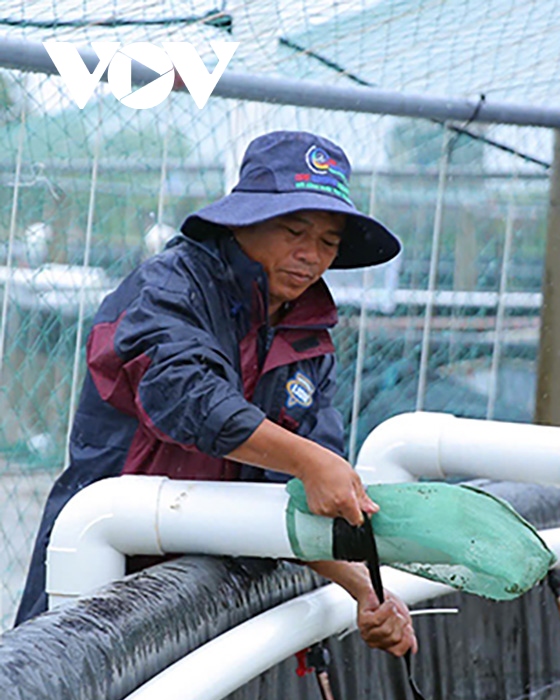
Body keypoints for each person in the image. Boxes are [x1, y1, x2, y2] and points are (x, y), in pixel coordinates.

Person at [15, 130, 416, 658]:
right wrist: (311, 462)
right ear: (243, 221)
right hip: (105, 568)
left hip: (218, 583)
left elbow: (302, 490)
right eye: (294, 230)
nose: (310, 255)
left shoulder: (309, 334)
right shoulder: (167, 289)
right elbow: (187, 398)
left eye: (328, 242)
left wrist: (366, 591)